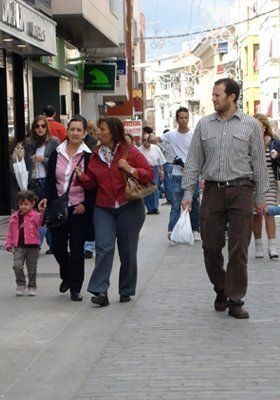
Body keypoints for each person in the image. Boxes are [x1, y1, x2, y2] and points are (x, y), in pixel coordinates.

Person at [181, 78, 268, 319]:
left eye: (218, 94)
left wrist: (260, 198)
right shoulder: (204, 125)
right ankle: (221, 288)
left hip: (242, 190)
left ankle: (236, 298)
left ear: (232, 97)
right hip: (212, 191)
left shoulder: (250, 125)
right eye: (213, 94)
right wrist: (188, 192)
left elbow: (259, 163)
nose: (214, 98)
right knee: (210, 246)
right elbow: (194, 161)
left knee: (239, 246)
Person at [75, 116, 154, 307]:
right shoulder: (95, 154)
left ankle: (126, 289)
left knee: (127, 251)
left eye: (102, 129)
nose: (98, 133)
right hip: (104, 208)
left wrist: (131, 169)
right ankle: (100, 290)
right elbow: (93, 183)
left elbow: (149, 174)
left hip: (129, 207)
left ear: (113, 131)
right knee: (104, 247)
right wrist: (82, 178)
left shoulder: (129, 151)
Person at [39, 116, 93, 302]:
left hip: (78, 208)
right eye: (72, 129)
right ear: (67, 131)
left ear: (84, 133)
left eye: (79, 130)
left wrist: (85, 205)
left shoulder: (89, 155)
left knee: (77, 249)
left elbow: (93, 184)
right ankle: (67, 274)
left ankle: (76, 288)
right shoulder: (57, 152)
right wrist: (46, 197)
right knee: (57, 245)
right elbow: (50, 180)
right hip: (59, 208)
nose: (75, 133)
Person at [149, 108, 201, 241]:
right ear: (177, 119)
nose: (184, 120)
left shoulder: (194, 134)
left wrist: (190, 166)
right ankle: (172, 230)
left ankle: (195, 229)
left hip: (191, 175)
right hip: (177, 175)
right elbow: (156, 139)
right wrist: (152, 138)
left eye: (186, 117)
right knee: (176, 203)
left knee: (194, 201)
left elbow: (199, 153)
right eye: (181, 117)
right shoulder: (171, 135)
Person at [23, 115, 59, 254]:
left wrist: (42, 159)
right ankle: (44, 244)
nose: (40, 129)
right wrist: (19, 156)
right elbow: (25, 164)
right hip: (32, 181)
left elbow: (57, 163)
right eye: (37, 126)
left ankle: (38, 244)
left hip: (46, 181)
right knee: (35, 214)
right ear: (33, 128)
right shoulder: (29, 142)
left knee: (45, 214)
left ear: (47, 127)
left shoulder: (53, 142)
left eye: (43, 126)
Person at [6, 190, 44, 296]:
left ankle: (32, 286)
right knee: (17, 266)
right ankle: (21, 283)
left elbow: (41, 222)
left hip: (33, 247)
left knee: (32, 268)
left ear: (32, 204)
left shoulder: (36, 215)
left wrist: (42, 211)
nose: (23, 206)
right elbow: (10, 231)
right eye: (21, 204)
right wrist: (8, 243)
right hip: (18, 246)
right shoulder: (14, 216)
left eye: (26, 204)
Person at [253, 114, 280, 259]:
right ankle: (258, 245)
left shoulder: (274, 141)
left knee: (269, 212)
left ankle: (272, 246)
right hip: (253, 183)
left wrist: (278, 155)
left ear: (264, 127)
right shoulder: (249, 142)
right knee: (256, 215)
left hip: (270, 182)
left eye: (258, 125)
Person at [139, 129, 165, 214]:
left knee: (155, 188)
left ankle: (155, 207)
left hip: (154, 169)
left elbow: (161, 161)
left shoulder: (156, 148)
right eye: (144, 140)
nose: (146, 141)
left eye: (147, 139)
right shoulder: (139, 150)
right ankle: (149, 208)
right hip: (143, 170)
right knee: (146, 188)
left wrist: (161, 171)